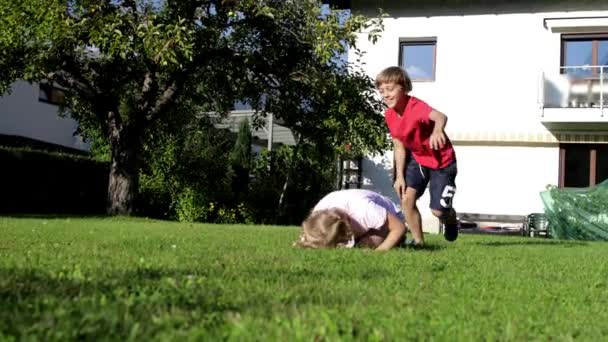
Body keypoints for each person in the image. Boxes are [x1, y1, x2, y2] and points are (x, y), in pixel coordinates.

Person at [376, 66, 459, 243]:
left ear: (404, 88)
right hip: (419, 159)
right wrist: (399, 176)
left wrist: (438, 131)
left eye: (390, 89)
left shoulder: (415, 106)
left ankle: (451, 219)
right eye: (382, 91)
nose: (385, 95)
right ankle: (418, 242)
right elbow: (399, 145)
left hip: (442, 162)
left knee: (438, 211)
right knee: (406, 199)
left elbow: (440, 116)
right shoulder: (389, 115)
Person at [294, 189, 407, 250]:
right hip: (361, 223)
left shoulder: (365, 210)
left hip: (391, 219)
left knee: (367, 244)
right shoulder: (320, 209)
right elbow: (312, 235)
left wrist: (380, 252)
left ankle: (398, 241)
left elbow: (399, 227)